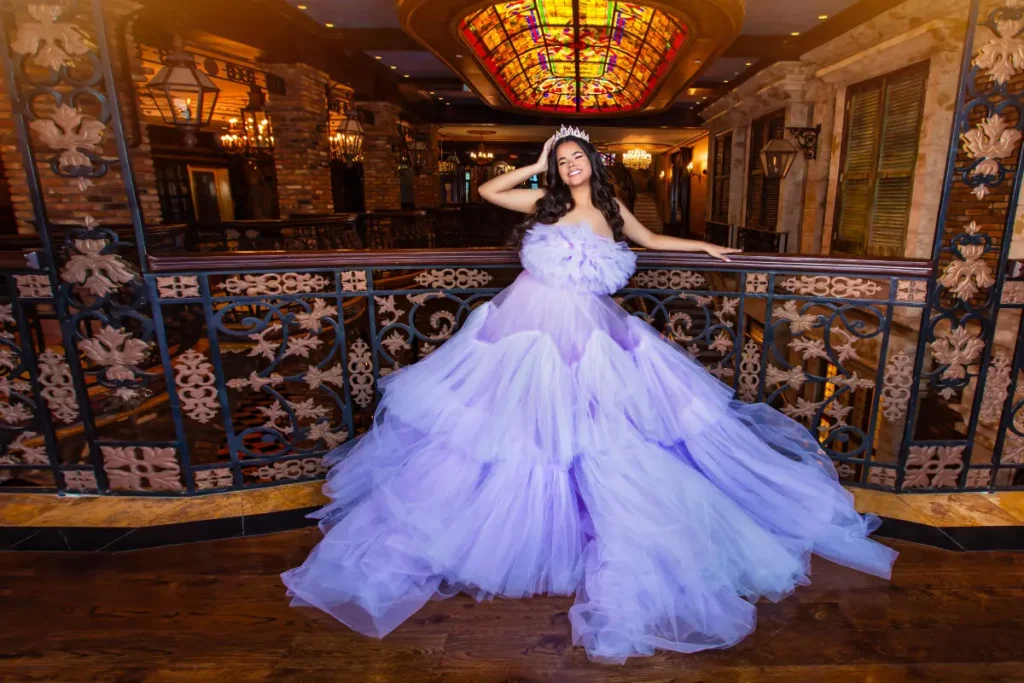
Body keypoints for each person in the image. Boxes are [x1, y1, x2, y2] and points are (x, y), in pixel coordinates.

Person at [282, 125, 897, 665]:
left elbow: (652, 242)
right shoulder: (543, 201)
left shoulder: (613, 211)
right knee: (512, 432)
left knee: (601, 433)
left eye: (579, 159)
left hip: (592, 332)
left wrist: (705, 246)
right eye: (564, 160)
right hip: (524, 329)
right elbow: (491, 191)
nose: (572, 167)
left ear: (596, 166)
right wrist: (542, 158)